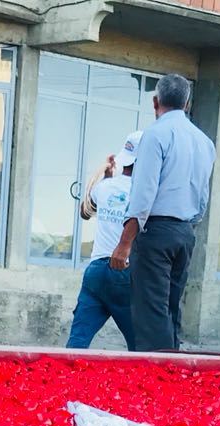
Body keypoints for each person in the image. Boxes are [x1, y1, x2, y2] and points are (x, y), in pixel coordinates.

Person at [108, 73, 216, 352]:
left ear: (155, 101)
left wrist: (124, 243)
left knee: (151, 313)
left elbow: (143, 194)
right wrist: (186, 227)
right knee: (171, 310)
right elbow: (203, 197)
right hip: (185, 233)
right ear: (187, 103)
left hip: (156, 232)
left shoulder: (155, 134)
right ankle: (173, 376)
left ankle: (156, 381)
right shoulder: (205, 142)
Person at [66, 131, 141, 351]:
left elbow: (85, 212)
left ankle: (65, 382)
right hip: (124, 272)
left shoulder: (106, 186)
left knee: (77, 344)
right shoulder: (144, 191)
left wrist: (107, 177)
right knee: (140, 348)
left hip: (96, 272)